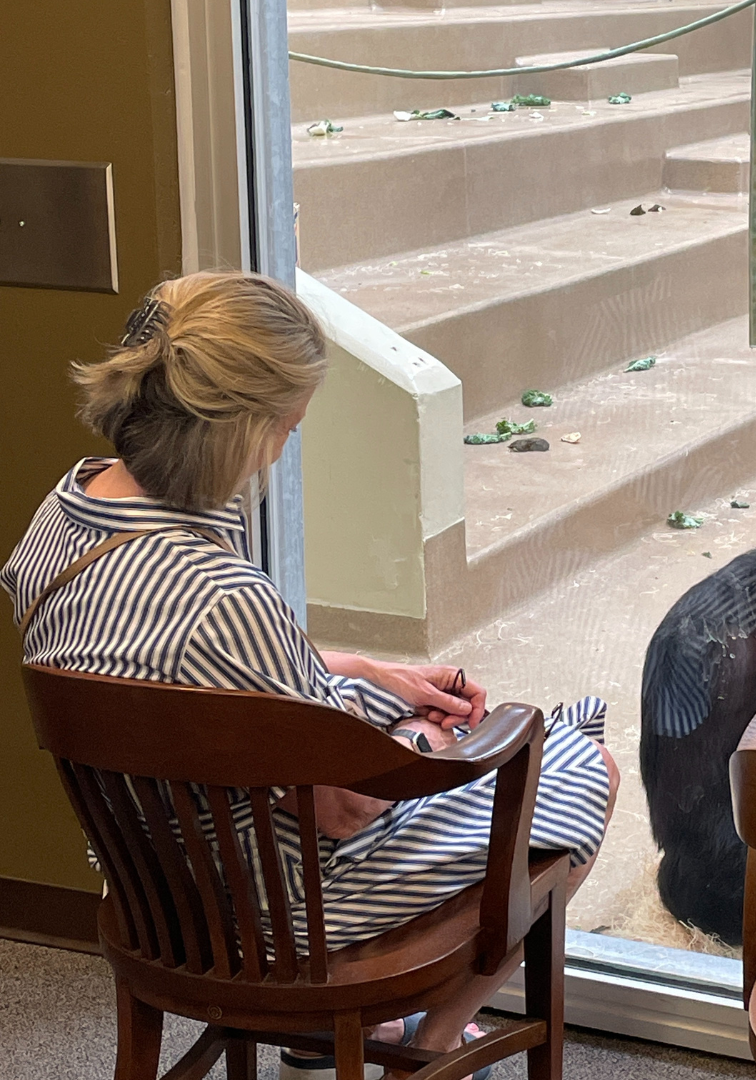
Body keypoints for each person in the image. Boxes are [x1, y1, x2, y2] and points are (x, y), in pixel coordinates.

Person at [2, 271, 619, 1080]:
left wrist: (365, 672)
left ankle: (349, 1030)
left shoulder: (60, 519)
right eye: (285, 428)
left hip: (155, 891)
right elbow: (348, 811)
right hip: (274, 927)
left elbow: (173, 679)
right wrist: (418, 739)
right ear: (235, 431)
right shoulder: (223, 598)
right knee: (578, 761)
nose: (286, 446)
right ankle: (425, 1036)